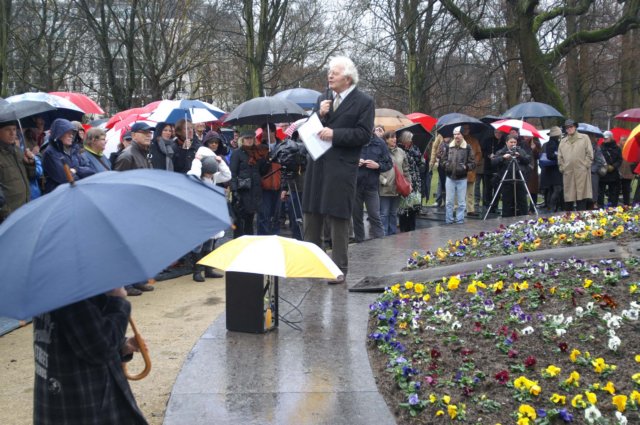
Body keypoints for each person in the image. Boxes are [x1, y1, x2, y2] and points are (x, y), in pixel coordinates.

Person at [302, 55, 374, 284]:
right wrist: (319, 115)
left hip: (342, 168)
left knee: (338, 217)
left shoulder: (364, 102)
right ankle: (313, 265)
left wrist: (336, 134)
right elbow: (311, 128)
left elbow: (364, 135)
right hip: (318, 164)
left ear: (348, 78)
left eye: (335, 72)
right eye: (329, 71)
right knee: (312, 214)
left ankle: (338, 268)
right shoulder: (323, 98)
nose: (330, 75)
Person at [33, 288, 148, 425]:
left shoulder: (50, 285)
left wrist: (121, 347)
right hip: (84, 406)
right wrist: (117, 301)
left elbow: (78, 340)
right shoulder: (73, 293)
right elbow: (100, 348)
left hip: (63, 400)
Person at [114, 122, 155, 296]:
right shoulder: (127, 156)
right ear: (134, 135)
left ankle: (137, 280)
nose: (148, 135)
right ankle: (127, 283)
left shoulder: (144, 154)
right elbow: (118, 186)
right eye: (143, 132)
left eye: (149, 132)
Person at [187, 151, 231, 281]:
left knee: (210, 243)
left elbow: (227, 175)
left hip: (211, 214)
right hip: (198, 214)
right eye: (208, 172)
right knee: (198, 244)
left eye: (212, 172)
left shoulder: (214, 178)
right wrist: (196, 161)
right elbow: (193, 173)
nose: (210, 175)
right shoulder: (196, 178)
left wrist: (220, 161)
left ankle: (208, 269)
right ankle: (197, 271)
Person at [352, 129, 392, 242]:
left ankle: (381, 244)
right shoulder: (355, 140)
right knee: (356, 217)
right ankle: (359, 243)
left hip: (371, 186)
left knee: (375, 216)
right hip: (356, 185)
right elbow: (344, 160)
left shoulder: (380, 143)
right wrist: (354, 162)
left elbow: (389, 163)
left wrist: (377, 165)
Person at [229, 132, 268, 238]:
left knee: (250, 220)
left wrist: (266, 161)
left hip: (254, 191)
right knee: (239, 221)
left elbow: (262, 171)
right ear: (242, 140)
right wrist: (234, 190)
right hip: (242, 191)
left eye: (251, 138)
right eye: (247, 138)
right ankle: (238, 243)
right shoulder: (237, 153)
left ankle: (249, 242)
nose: (249, 140)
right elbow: (232, 173)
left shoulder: (257, 153)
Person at [42, 118, 94, 194]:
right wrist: (81, 175)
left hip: (76, 192)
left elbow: (90, 170)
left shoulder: (74, 149)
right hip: (59, 195)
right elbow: (65, 178)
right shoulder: (50, 153)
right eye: (68, 132)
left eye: (72, 132)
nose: (71, 135)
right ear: (59, 134)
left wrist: (76, 170)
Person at [0, 120, 35, 223]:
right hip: (10, 215)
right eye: (8, 130)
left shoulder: (17, 151)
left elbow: (31, 176)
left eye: (14, 129)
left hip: (26, 207)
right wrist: (5, 214)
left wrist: (30, 163)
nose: (12, 133)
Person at [440, 126, 476, 224]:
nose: (456, 136)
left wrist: (466, 167)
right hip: (450, 177)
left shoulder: (468, 147)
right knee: (449, 202)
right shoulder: (448, 146)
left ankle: (460, 221)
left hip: (462, 178)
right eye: (455, 134)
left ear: (462, 135)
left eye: (458, 134)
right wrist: (446, 165)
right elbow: (442, 160)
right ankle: (449, 220)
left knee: (461, 203)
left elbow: (473, 163)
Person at [557, 119, 593, 211]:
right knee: (569, 199)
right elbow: (560, 157)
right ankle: (569, 221)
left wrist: (585, 165)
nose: (569, 129)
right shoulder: (563, 141)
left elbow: (590, 154)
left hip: (582, 173)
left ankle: (581, 219)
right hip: (568, 173)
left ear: (575, 127)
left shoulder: (584, 138)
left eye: (571, 126)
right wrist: (562, 168)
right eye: (567, 127)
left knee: (582, 198)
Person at [491, 136, 531, 217]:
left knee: (522, 200)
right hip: (506, 179)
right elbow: (494, 162)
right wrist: (503, 157)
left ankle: (525, 218)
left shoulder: (521, 151)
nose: (513, 144)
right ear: (506, 142)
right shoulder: (501, 151)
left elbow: (528, 160)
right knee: (507, 201)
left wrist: (519, 156)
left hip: (519, 178)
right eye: (511, 142)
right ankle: (506, 219)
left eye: (514, 142)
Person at [379, 130, 410, 236]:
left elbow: (405, 169)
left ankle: (392, 234)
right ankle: (383, 235)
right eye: (391, 137)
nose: (394, 139)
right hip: (385, 188)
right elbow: (376, 168)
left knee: (393, 213)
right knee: (384, 213)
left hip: (398, 188)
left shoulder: (401, 152)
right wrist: (383, 180)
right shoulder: (381, 151)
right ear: (386, 140)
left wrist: (408, 183)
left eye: (395, 137)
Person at [257, 122, 283, 235]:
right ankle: (262, 238)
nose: (263, 134)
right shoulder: (260, 148)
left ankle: (275, 238)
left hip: (279, 185)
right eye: (262, 131)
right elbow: (259, 169)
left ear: (272, 132)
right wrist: (268, 160)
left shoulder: (282, 146)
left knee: (277, 215)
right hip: (265, 187)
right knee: (263, 215)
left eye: (265, 131)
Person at [397, 131, 423, 231]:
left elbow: (420, 163)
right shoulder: (399, 149)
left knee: (413, 206)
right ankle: (403, 227)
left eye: (411, 139)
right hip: (404, 180)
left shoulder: (415, 148)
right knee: (404, 206)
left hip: (415, 180)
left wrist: (416, 154)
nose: (411, 141)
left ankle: (412, 227)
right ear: (405, 139)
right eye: (409, 139)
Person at [539, 126, 563, 212]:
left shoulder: (551, 142)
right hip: (554, 170)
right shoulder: (552, 143)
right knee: (557, 189)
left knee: (553, 189)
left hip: (551, 170)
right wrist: (559, 156)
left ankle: (552, 207)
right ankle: (552, 207)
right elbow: (550, 155)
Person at [461, 124, 482, 217]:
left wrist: (475, 163)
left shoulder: (474, 140)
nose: (466, 130)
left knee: (470, 191)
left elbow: (478, 153)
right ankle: (457, 208)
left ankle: (470, 209)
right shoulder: (459, 140)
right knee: (459, 190)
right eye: (464, 128)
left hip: (471, 170)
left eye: (467, 128)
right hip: (460, 169)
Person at [598, 130, 622, 207]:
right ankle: (600, 207)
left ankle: (612, 207)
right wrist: (605, 166)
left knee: (613, 193)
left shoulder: (617, 148)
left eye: (606, 138)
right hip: (603, 173)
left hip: (613, 173)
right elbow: (598, 159)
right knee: (600, 193)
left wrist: (613, 166)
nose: (605, 139)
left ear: (611, 138)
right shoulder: (600, 148)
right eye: (604, 138)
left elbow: (619, 160)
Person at [618, 136, 634, 205]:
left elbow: (633, 160)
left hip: (628, 173)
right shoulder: (617, 148)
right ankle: (615, 204)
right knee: (616, 190)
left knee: (626, 190)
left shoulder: (630, 148)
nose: (624, 141)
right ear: (620, 141)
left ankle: (626, 204)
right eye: (623, 140)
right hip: (618, 173)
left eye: (625, 140)